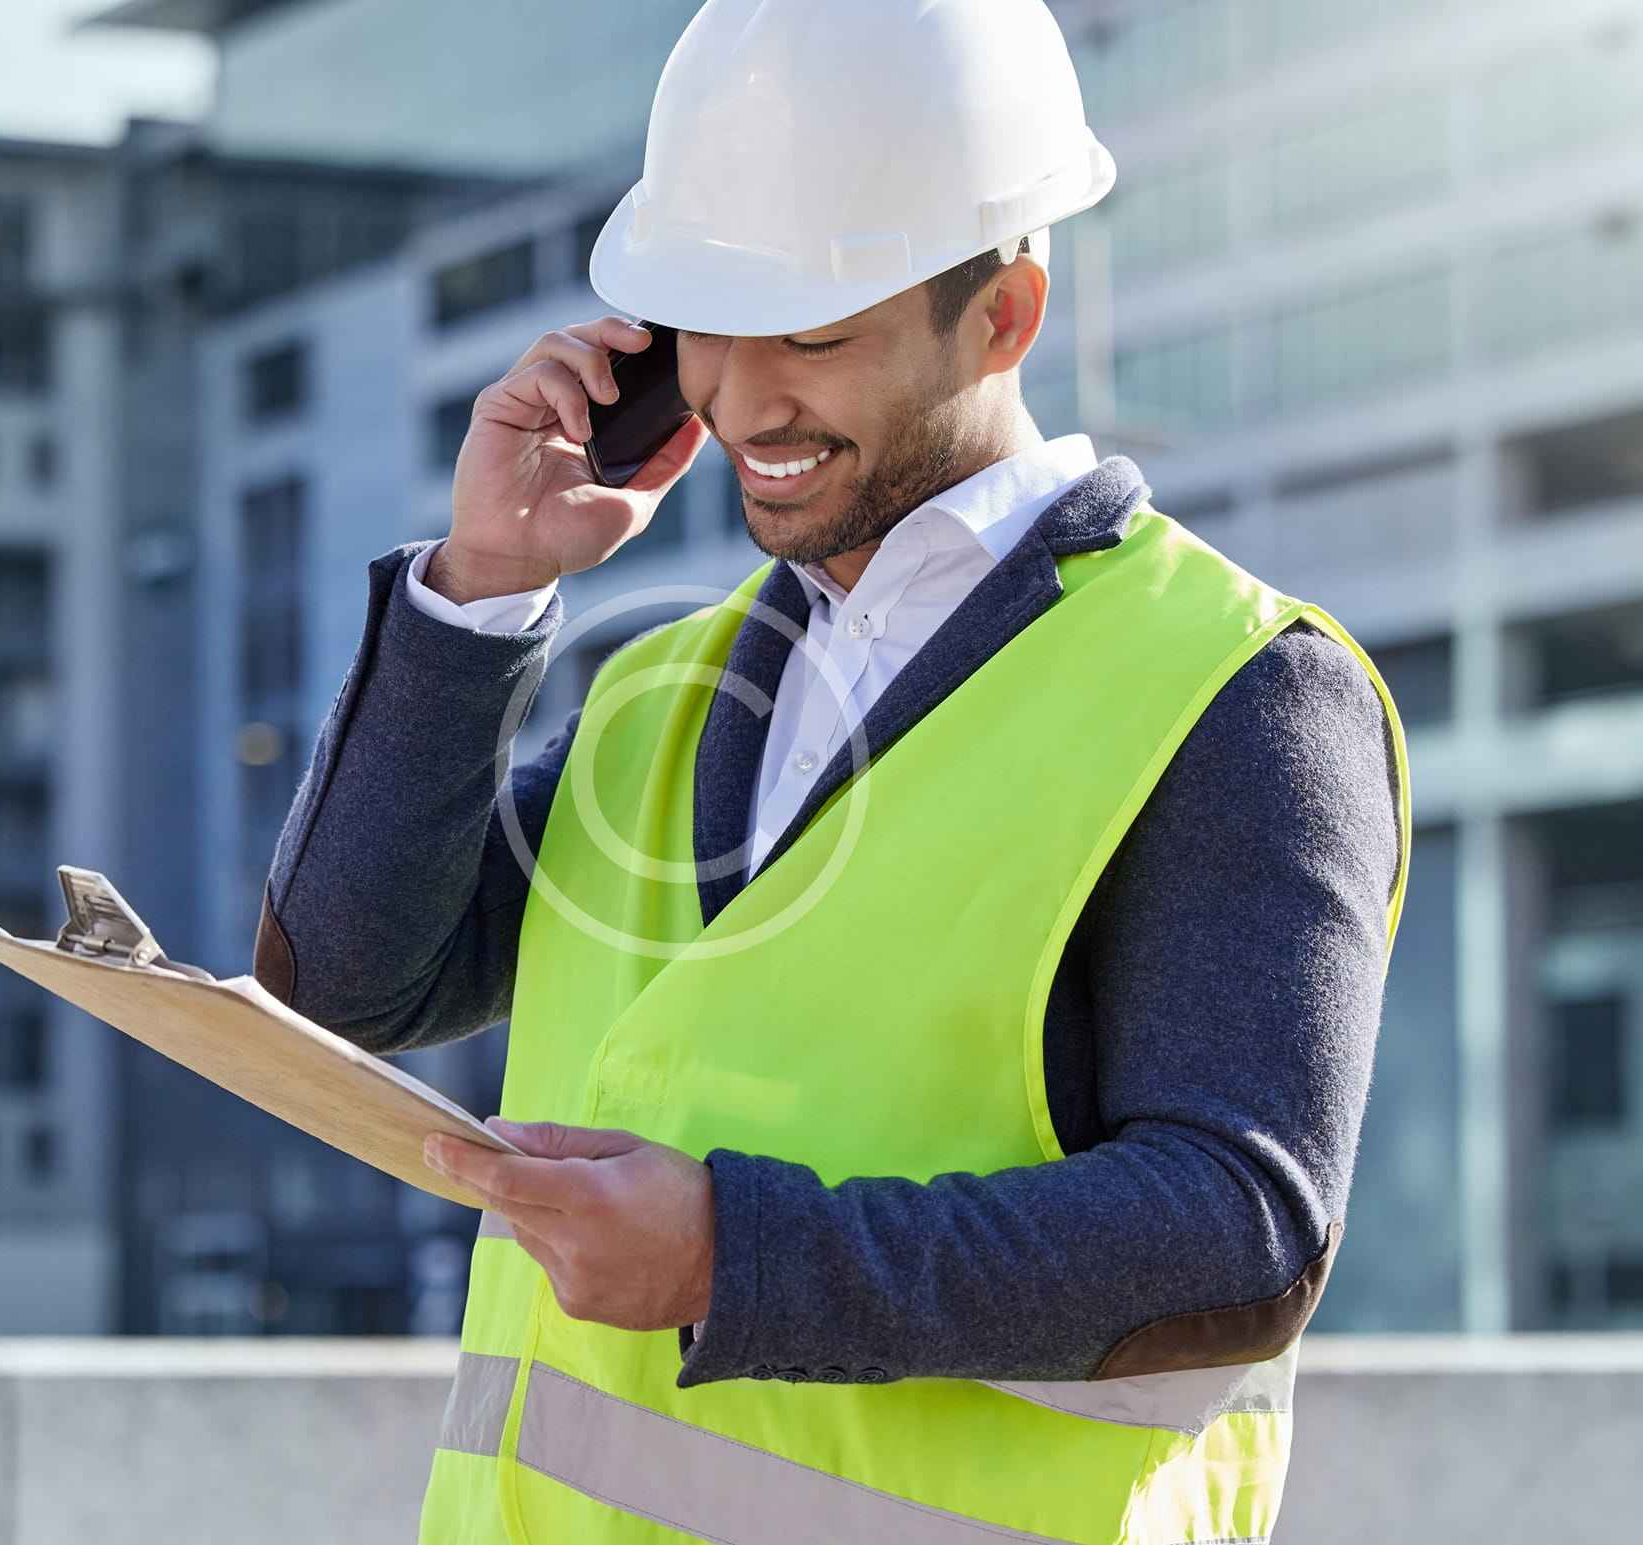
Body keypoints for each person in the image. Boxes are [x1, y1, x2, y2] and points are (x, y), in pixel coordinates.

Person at [253, 2, 1411, 1540]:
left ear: (1002, 316)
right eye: (705, 323)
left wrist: (737, 1256)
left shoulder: (1238, 690)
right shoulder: (665, 685)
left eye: (811, 333)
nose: (738, 396)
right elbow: (344, 981)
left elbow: (1242, 1234)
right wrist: (483, 585)